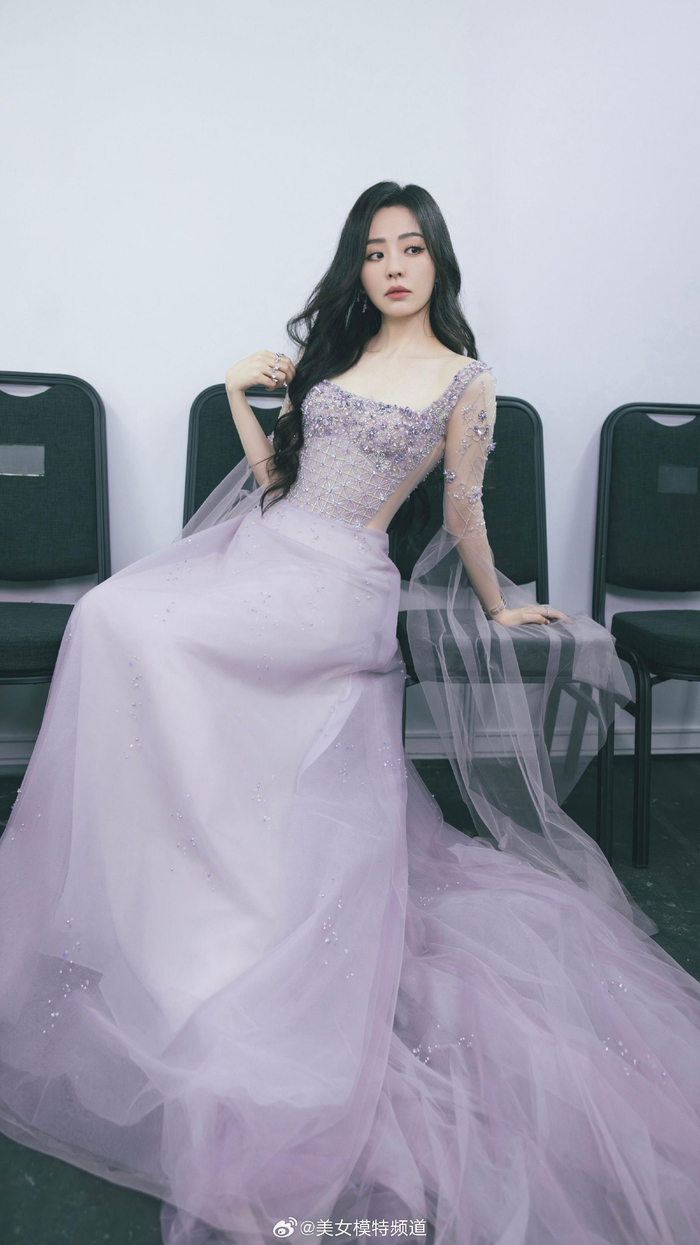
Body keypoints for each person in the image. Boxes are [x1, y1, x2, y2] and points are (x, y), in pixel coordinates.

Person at [0, 181, 699, 1245]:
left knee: (154, 640)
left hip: (336, 588)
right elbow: (278, 481)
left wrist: (501, 604)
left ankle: (219, 896)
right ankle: (178, 883)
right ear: (357, 267)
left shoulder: (465, 379)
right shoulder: (334, 361)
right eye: (375, 252)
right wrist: (240, 396)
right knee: (111, 618)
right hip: (265, 552)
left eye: (410, 248)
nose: (392, 267)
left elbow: (461, 506)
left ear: (437, 260)